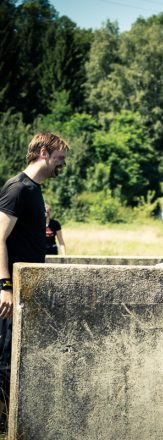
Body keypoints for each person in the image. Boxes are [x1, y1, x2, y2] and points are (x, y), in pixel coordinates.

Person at [0, 133, 69, 432]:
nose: (63, 164)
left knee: (15, 357)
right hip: (9, 292)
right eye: (60, 158)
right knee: (4, 359)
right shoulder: (18, 189)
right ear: (44, 152)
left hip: (26, 289)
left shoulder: (35, 190)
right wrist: (5, 287)